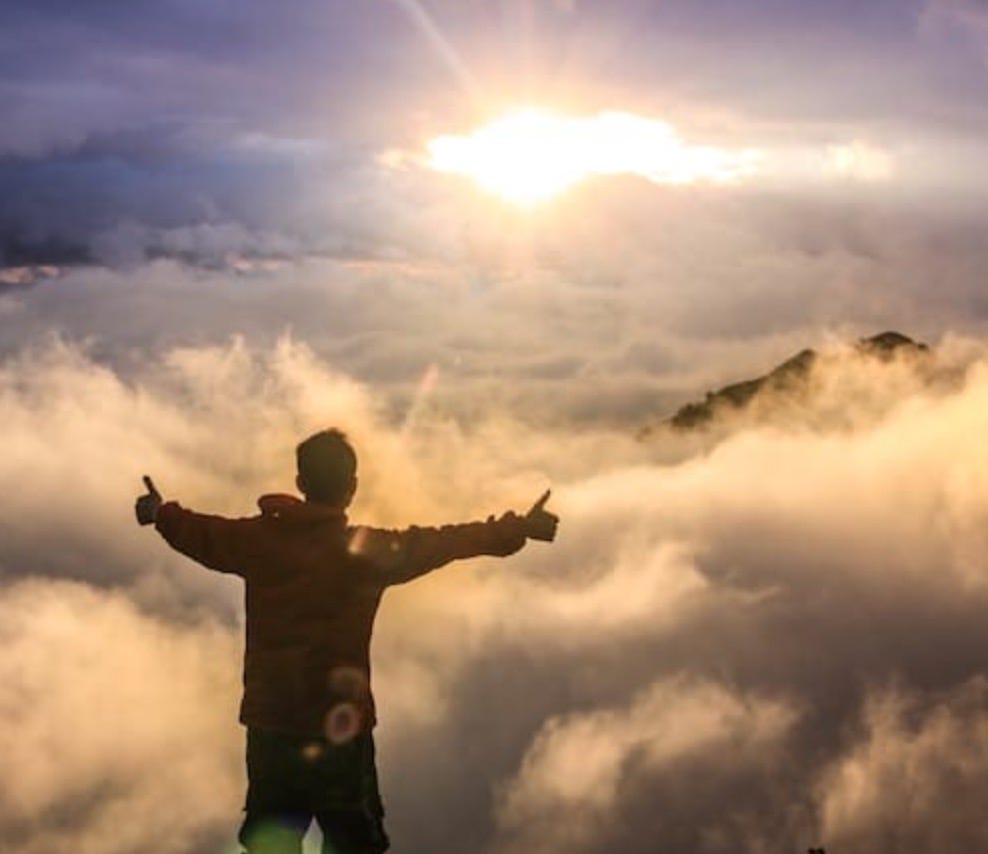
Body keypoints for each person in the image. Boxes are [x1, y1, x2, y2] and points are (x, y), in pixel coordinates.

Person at [134, 428, 558, 854]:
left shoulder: (256, 542)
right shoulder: (365, 554)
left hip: (272, 728)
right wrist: (517, 528)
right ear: (351, 488)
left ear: (300, 483)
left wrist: (159, 512)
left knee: (273, 845)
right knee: (354, 846)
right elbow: (444, 541)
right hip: (340, 731)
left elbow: (198, 532)